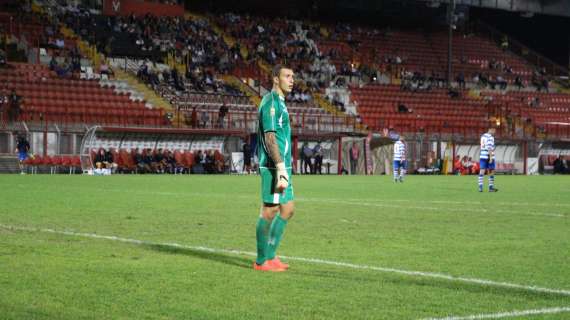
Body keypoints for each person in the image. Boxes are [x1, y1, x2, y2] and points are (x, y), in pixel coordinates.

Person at [254, 64, 295, 272]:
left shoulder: (281, 102)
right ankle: (261, 261)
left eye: (293, 76)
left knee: (287, 209)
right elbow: (270, 138)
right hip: (273, 167)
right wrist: (279, 166)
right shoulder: (270, 103)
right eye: (287, 76)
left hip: (283, 167)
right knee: (269, 211)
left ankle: (271, 256)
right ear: (275, 79)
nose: (292, 79)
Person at [478, 125, 499, 192]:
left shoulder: (482, 136)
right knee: (491, 171)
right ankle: (490, 188)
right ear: (491, 129)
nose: (495, 132)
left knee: (482, 171)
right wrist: (490, 158)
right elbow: (489, 147)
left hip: (482, 155)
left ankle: (480, 187)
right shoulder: (490, 137)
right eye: (494, 130)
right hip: (489, 156)